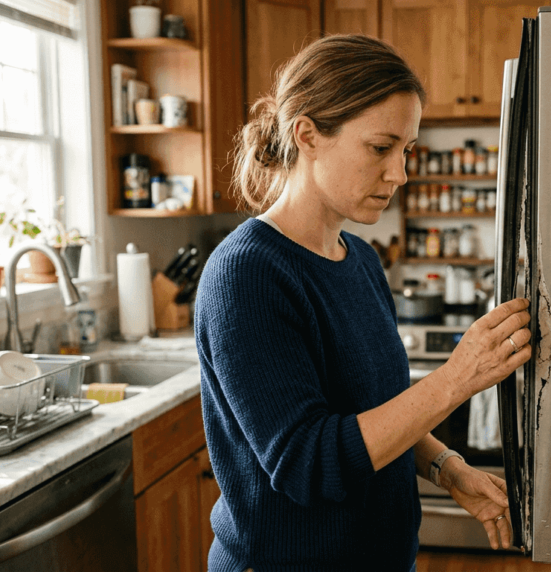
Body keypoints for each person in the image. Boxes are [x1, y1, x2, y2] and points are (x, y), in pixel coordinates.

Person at [194, 34, 532, 572]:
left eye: (407, 151)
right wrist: (457, 378)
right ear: (307, 134)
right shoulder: (246, 276)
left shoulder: (362, 259)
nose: (399, 173)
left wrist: (447, 467)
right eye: (381, 148)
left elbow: (373, 410)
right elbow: (308, 463)